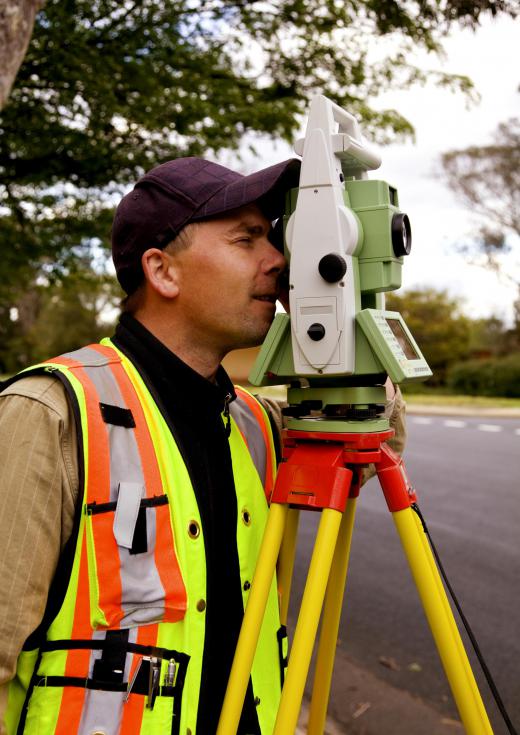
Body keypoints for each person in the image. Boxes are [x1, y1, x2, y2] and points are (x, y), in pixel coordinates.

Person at [0, 156, 406, 735]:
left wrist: (342, 299)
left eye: (277, 240)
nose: (280, 262)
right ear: (163, 272)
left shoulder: (253, 423)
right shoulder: (52, 413)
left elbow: (374, 428)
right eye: (248, 240)